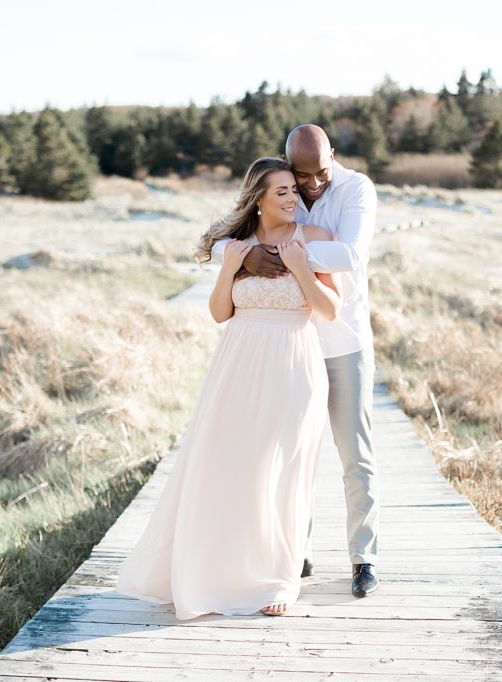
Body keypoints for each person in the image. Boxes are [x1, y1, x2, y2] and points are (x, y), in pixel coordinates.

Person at [116, 157, 341, 618]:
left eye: (294, 191)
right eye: (281, 192)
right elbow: (220, 313)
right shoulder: (237, 247)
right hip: (237, 365)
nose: (293, 198)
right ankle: (216, 573)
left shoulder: (316, 241)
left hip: (294, 363)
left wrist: (301, 269)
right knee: (229, 468)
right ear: (258, 198)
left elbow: (331, 310)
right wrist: (227, 272)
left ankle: (277, 576)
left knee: (278, 470)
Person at [211, 124, 380, 598]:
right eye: (300, 177)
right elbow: (226, 237)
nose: (309, 187)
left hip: (342, 340)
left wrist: (274, 256)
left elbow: (350, 254)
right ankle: (293, 550)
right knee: (286, 453)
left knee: (355, 454)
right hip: (293, 345)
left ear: (335, 156)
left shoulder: (356, 189)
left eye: (317, 174)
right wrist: (241, 256)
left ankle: (363, 557)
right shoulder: (282, 184)